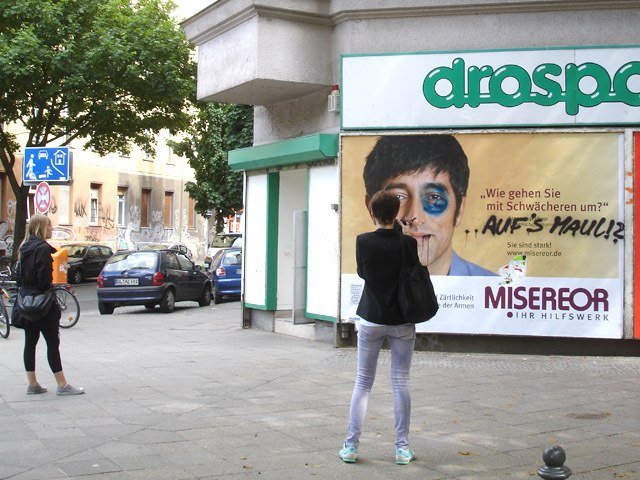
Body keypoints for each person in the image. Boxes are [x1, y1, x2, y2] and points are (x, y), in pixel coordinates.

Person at [339, 190, 422, 465]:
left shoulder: (363, 241)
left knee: (363, 382)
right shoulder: (407, 243)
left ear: (373, 212)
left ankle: (351, 446)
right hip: (402, 320)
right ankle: (402, 448)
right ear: (396, 214)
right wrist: (403, 233)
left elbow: (363, 273)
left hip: (371, 317)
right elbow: (413, 272)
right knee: (401, 381)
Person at [363, 134, 496, 276]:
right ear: (373, 210)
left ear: (459, 210)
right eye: (398, 197)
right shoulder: (353, 282)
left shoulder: (494, 286)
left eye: (434, 197)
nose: (415, 217)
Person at [15, 214, 84, 396]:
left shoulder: (24, 247)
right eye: (49, 225)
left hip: (27, 301)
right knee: (52, 342)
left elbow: (18, 277)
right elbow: (44, 278)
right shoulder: (43, 248)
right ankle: (62, 385)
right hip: (43, 304)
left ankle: (32, 384)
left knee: (30, 342)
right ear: (41, 228)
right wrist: (49, 289)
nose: (52, 229)